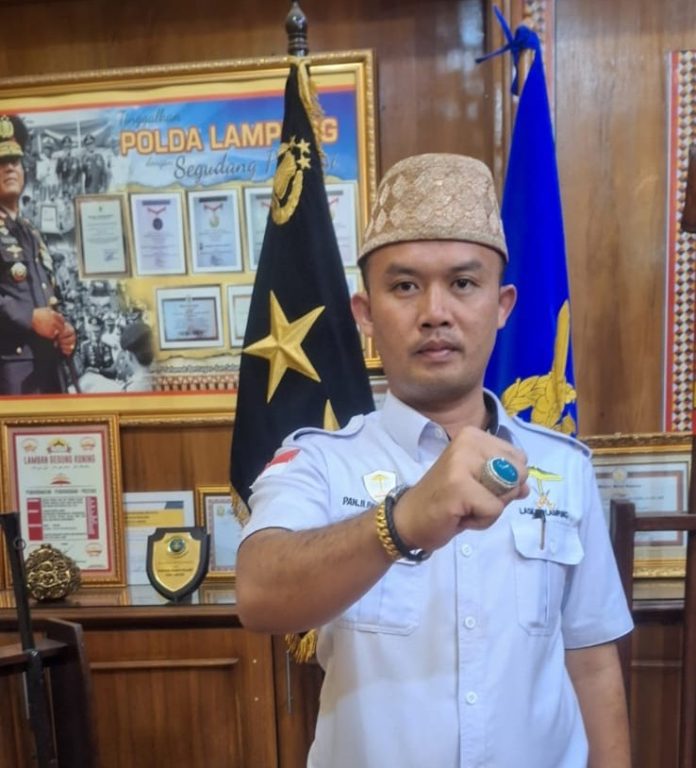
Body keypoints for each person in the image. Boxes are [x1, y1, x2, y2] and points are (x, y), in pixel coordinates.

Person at [236, 154, 633, 768]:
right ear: (365, 314)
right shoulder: (320, 461)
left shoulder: (565, 468)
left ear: (502, 305)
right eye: (404, 286)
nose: (435, 312)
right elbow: (259, 594)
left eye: (464, 284)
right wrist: (402, 522)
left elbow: (592, 660)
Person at [0, 114, 76, 395]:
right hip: (11, 375)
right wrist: (28, 317)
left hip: (49, 371)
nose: (9, 167)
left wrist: (64, 329)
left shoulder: (30, 232)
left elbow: (48, 295)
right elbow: (28, 310)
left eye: (15, 160)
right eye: (1, 162)